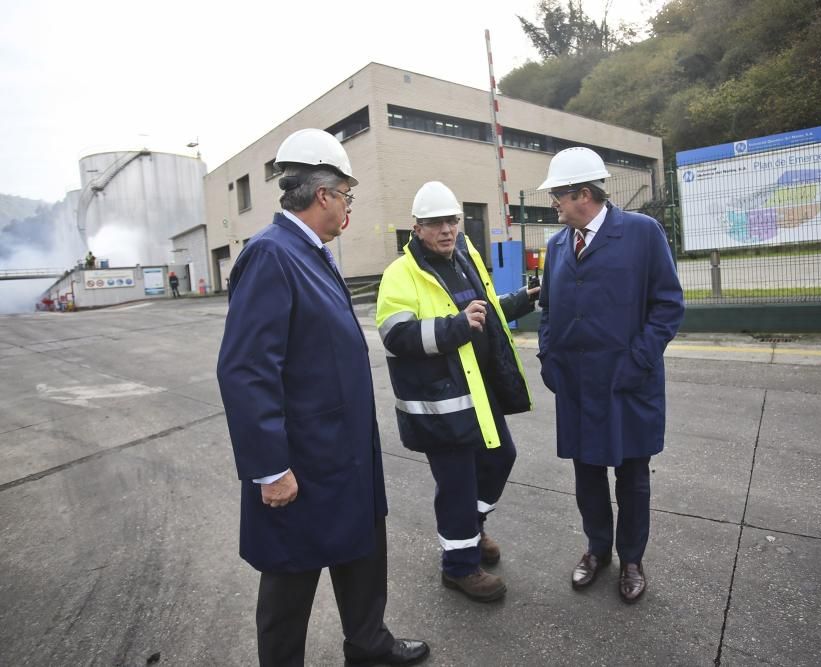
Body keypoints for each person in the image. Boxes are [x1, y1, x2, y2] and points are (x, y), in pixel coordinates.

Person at [216, 128, 429, 667]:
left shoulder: (311, 252)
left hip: (342, 448)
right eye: (348, 196)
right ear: (323, 194)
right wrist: (269, 468)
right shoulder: (271, 254)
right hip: (303, 457)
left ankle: (369, 645)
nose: (349, 207)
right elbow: (246, 369)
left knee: (361, 550)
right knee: (291, 575)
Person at [536, 147, 685, 604]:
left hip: (627, 382)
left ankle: (632, 558)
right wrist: (549, 356)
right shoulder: (559, 243)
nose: (553, 204)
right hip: (577, 384)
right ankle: (597, 549)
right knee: (587, 474)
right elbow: (550, 308)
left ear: (584, 194)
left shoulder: (641, 233)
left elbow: (668, 305)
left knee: (633, 477)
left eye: (558, 195)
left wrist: (638, 360)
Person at [375, 181, 536, 603]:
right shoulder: (401, 274)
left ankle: (472, 529)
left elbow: (485, 308)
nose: (446, 230)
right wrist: (455, 328)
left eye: (451, 221)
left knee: (502, 457)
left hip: (479, 392)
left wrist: (522, 300)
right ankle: (459, 567)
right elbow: (396, 335)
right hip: (440, 402)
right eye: (435, 223)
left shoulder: (466, 257)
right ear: (417, 227)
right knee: (457, 483)